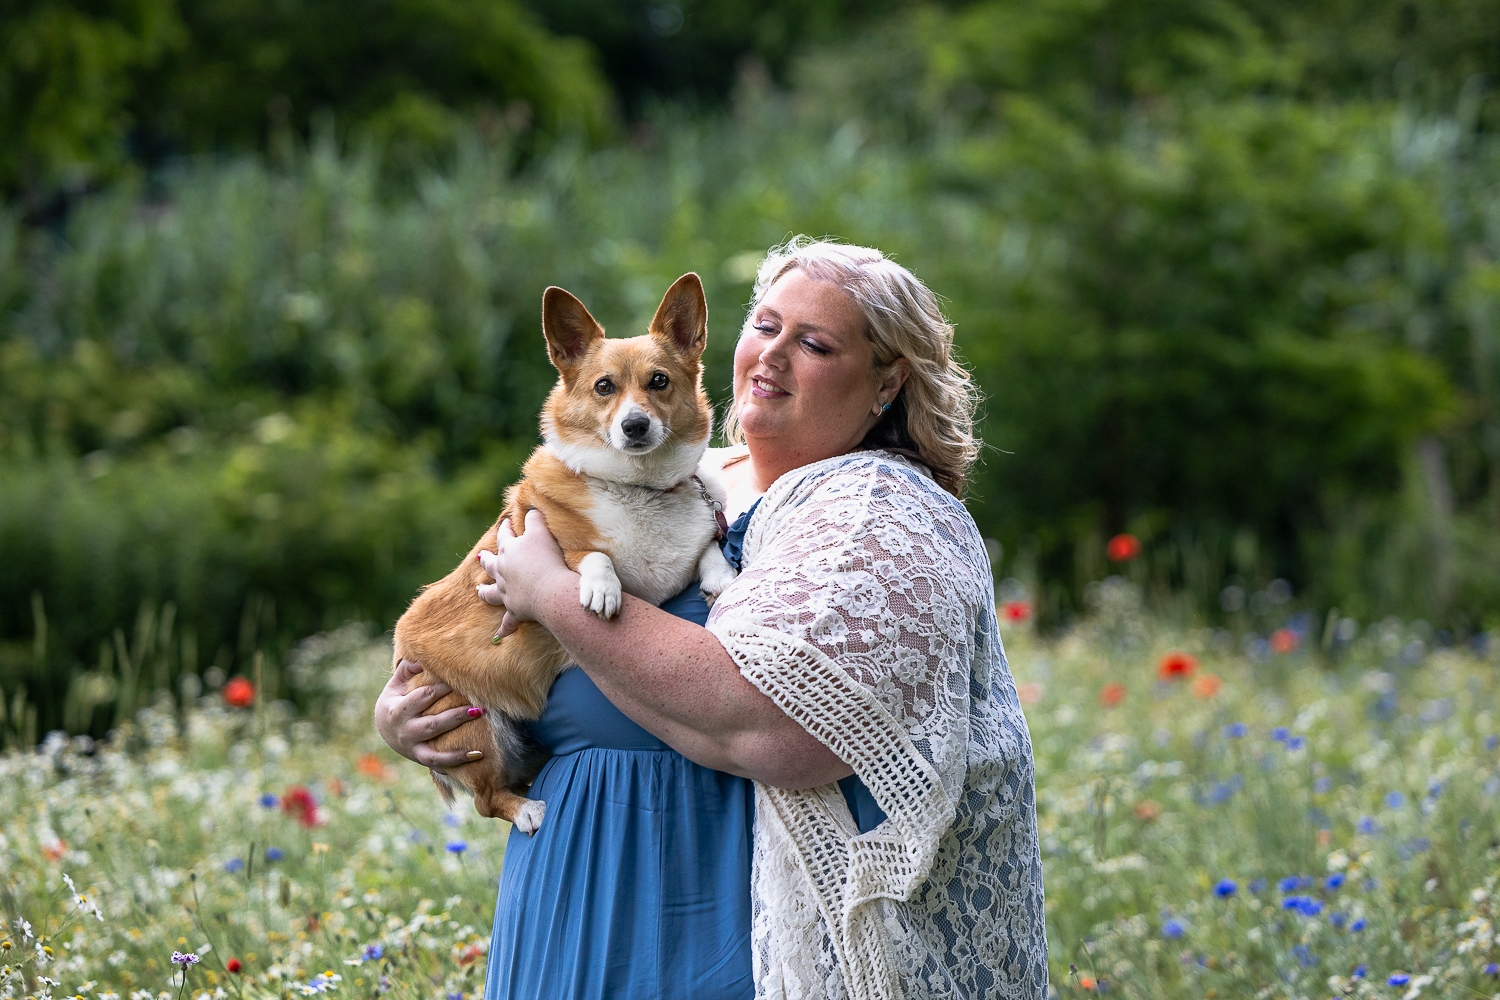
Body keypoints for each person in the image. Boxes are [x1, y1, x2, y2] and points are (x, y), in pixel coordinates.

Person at [374, 238, 1048, 999]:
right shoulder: (659, 477)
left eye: (815, 343)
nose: (772, 356)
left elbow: (775, 726)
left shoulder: (877, 517)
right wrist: (410, 716)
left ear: (886, 382)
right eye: (764, 326)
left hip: (702, 927)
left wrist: (556, 599)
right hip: (565, 906)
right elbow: (464, 623)